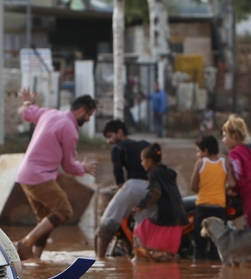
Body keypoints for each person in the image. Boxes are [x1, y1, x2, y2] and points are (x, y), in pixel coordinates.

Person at [14, 89, 100, 260]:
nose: (89, 119)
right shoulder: (69, 129)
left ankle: (35, 260)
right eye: (89, 115)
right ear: (81, 111)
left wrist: (27, 103)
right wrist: (83, 167)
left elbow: (25, 112)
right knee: (64, 211)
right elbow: (68, 166)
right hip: (40, 177)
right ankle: (26, 242)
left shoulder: (49, 113)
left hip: (25, 174)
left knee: (46, 221)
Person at [94, 119, 150, 259]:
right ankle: (144, 258)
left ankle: (100, 259)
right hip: (152, 188)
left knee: (108, 221)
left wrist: (120, 189)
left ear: (120, 132)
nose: (108, 141)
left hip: (133, 187)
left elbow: (119, 176)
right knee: (143, 225)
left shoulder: (118, 148)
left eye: (110, 136)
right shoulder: (145, 144)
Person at [132, 143, 185, 261]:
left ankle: (143, 264)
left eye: (143, 160)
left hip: (165, 215)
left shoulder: (153, 174)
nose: (142, 164)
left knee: (139, 231)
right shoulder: (168, 173)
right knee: (169, 254)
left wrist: (141, 205)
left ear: (149, 161)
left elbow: (155, 192)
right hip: (178, 214)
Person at [189, 134, 234, 261]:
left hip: (202, 207)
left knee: (199, 243)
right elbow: (232, 184)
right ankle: (217, 275)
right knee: (217, 244)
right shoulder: (224, 163)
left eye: (198, 151)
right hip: (218, 208)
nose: (198, 154)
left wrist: (203, 192)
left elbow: (193, 186)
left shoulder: (200, 163)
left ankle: (199, 273)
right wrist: (221, 190)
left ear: (206, 150)